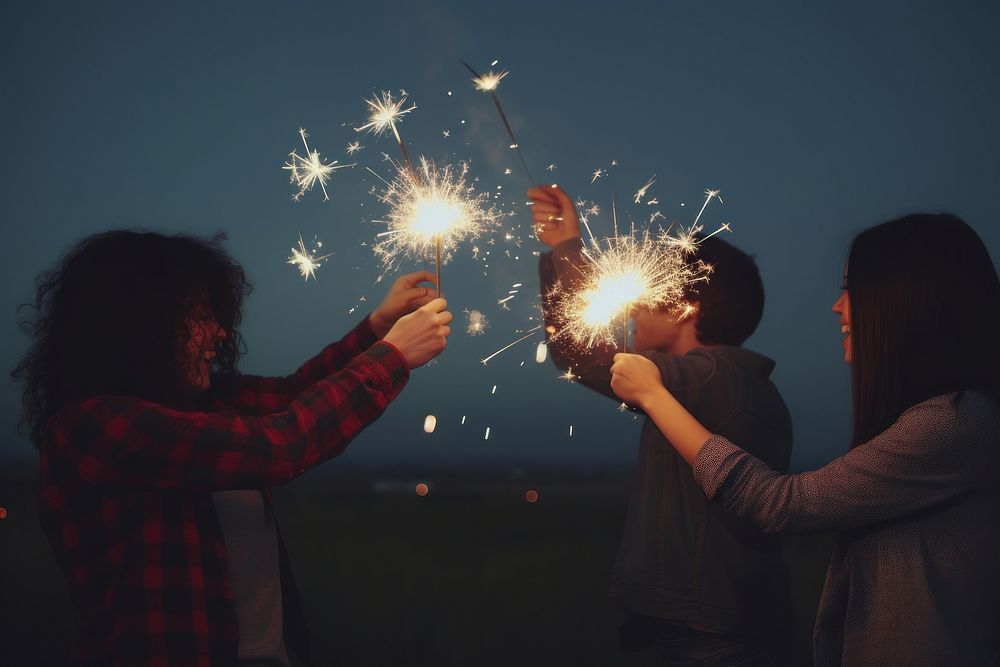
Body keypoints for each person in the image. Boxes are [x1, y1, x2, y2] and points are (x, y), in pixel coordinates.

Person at [11, 229, 452, 666]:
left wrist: (378, 329)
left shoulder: (208, 405)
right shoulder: (96, 428)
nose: (220, 333)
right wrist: (392, 355)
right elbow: (282, 444)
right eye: (199, 316)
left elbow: (295, 396)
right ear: (143, 323)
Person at [609, 213, 1000, 665]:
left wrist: (655, 396)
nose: (838, 307)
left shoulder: (955, 423)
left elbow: (781, 503)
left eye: (850, 288)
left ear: (908, 299)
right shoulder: (948, 420)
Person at [531, 185, 795, 664]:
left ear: (684, 306)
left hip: (711, 643)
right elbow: (583, 354)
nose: (632, 308)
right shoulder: (718, 384)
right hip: (710, 634)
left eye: (649, 293)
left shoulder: (716, 378)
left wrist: (567, 248)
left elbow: (589, 355)